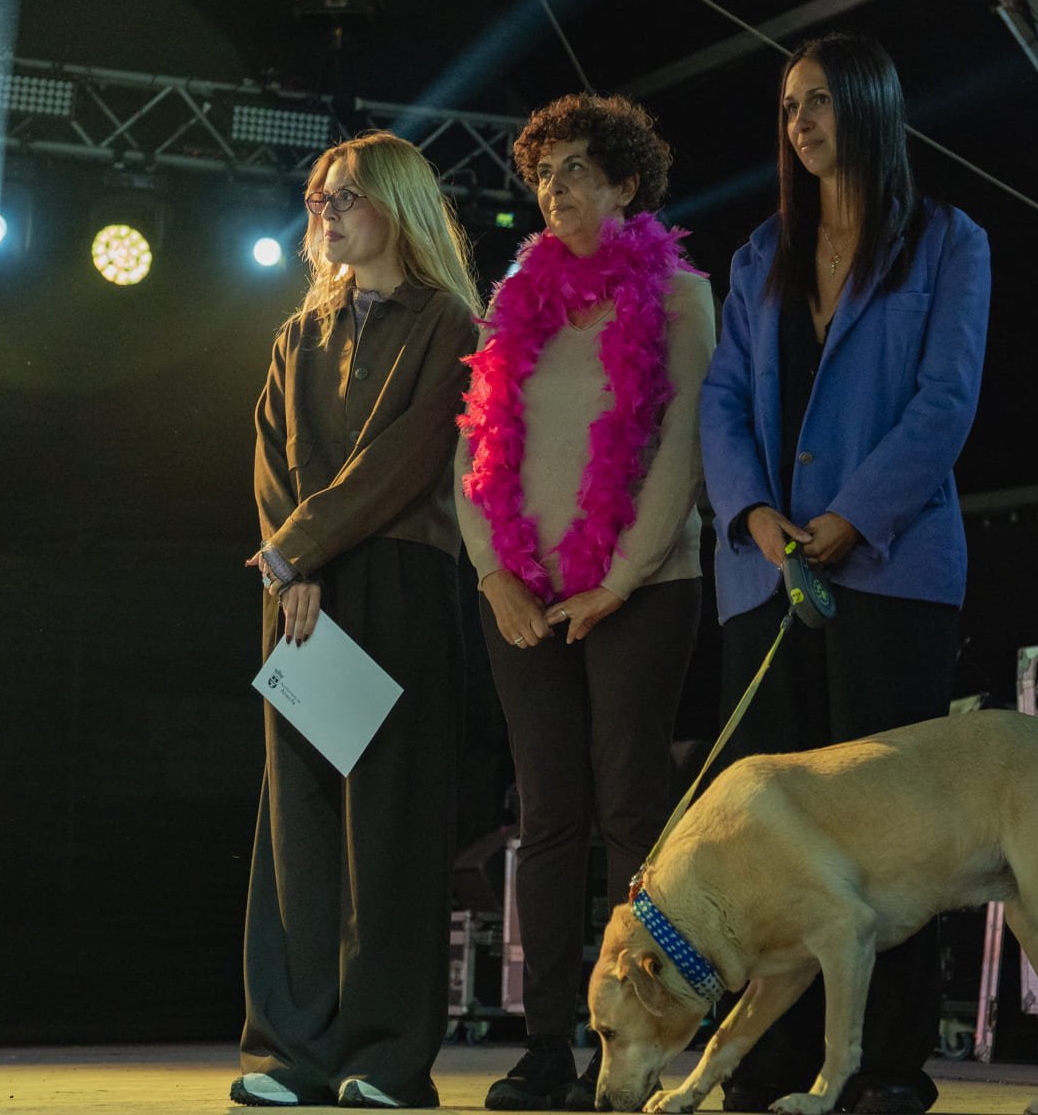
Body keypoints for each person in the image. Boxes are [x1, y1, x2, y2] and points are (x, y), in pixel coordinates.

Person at [698, 32, 991, 1115]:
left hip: (891, 571)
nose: (800, 123)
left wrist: (846, 517)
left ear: (867, 104)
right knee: (770, 834)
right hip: (765, 574)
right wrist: (761, 516)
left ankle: (885, 1066)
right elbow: (721, 399)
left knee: (888, 839)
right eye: (787, 108)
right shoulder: (756, 256)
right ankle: (767, 1066)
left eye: (818, 100)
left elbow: (944, 403)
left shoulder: (949, 242)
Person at [456, 93, 715, 1111]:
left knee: (629, 806)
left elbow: (682, 450)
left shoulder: (682, 294)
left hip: (644, 588)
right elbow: (474, 446)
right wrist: (492, 571)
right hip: (522, 593)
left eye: (573, 171)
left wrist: (622, 579)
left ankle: (643, 1036)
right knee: (548, 811)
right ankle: (548, 1044)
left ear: (626, 184)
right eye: (543, 174)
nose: (553, 189)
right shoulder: (517, 289)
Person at [236, 132, 482, 1110]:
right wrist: (291, 564)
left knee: (390, 827)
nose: (328, 212)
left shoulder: (450, 320)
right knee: (295, 823)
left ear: (397, 205)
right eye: (319, 198)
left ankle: (384, 1059)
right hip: (300, 589)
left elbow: (409, 455)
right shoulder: (298, 335)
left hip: (400, 581)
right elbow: (268, 466)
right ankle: (292, 1050)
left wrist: (303, 547)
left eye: (347, 196)